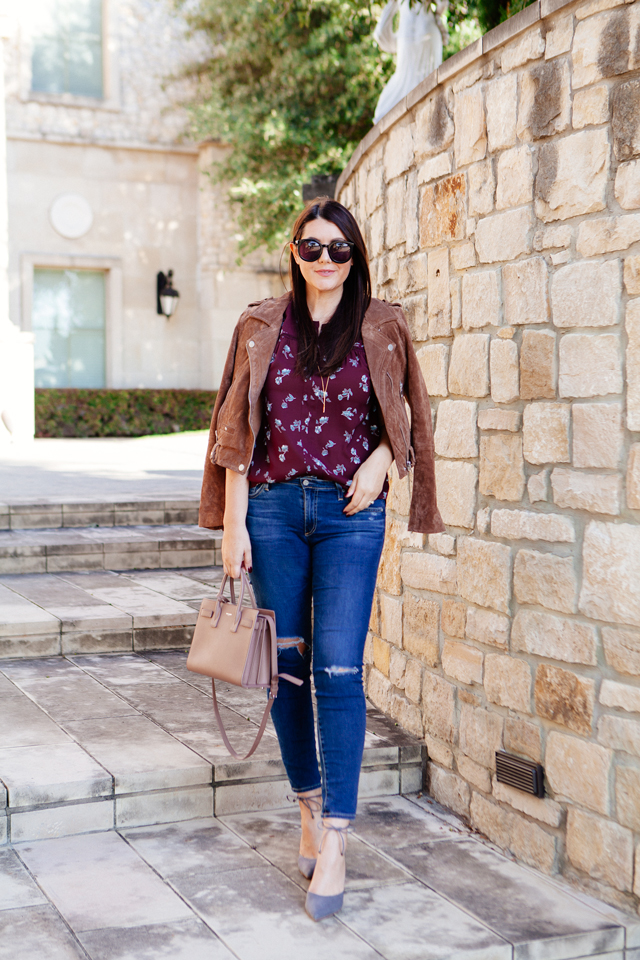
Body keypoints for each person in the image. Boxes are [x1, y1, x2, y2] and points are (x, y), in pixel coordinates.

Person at [199, 197, 443, 921]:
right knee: (289, 668)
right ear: (294, 251)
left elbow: (408, 411)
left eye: (340, 249)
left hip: (349, 516)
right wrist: (232, 526)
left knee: (339, 668)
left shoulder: (384, 323)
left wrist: (379, 466)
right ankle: (307, 804)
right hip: (272, 512)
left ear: (356, 255)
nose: (326, 260)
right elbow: (237, 428)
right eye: (313, 247)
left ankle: (335, 835)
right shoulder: (259, 324)